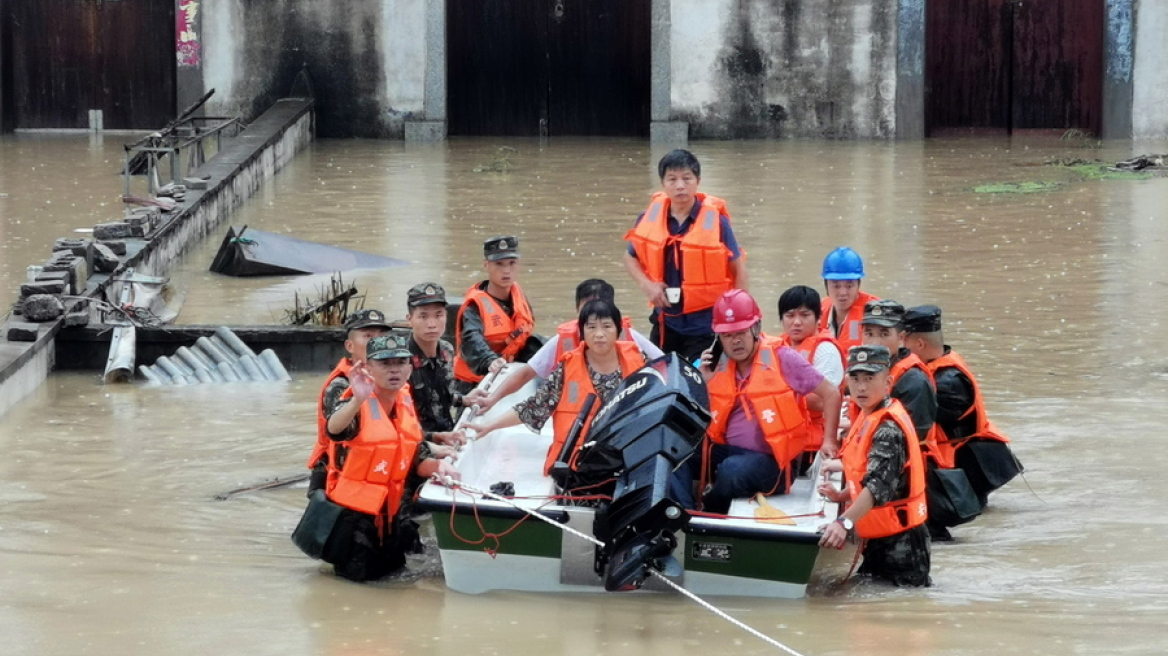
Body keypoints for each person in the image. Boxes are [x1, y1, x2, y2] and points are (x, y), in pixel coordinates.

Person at [671, 290, 841, 514]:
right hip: (726, 452)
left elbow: (832, 394)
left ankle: (709, 510)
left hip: (774, 463)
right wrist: (702, 383)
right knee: (671, 452)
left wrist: (829, 440)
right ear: (718, 338)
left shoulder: (782, 357)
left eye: (741, 332)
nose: (736, 341)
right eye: (727, 335)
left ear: (756, 328)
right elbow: (690, 413)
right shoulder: (715, 363)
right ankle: (683, 514)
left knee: (731, 470)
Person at [318, 334, 460, 582]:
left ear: (409, 367)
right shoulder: (357, 403)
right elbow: (335, 429)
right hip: (356, 523)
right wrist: (358, 398)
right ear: (369, 368)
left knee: (398, 584)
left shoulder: (404, 402)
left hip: (394, 516)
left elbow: (415, 455)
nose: (394, 370)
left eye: (400, 363)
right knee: (357, 591)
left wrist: (441, 466)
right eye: (385, 364)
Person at [467, 299, 646, 475]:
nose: (599, 334)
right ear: (582, 332)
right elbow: (535, 406)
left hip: (626, 460)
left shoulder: (640, 361)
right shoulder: (567, 367)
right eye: (591, 327)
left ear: (618, 330)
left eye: (607, 326)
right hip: (576, 466)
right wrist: (489, 426)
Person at [818, 345, 931, 587]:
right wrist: (843, 495)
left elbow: (878, 486)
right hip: (879, 538)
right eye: (855, 378)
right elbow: (868, 474)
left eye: (870, 378)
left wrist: (843, 523)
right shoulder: (867, 415)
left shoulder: (888, 428)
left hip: (902, 544)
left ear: (888, 381)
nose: (861, 387)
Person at [624, 149, 748, 363]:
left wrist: (740, 316)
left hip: (705, 325)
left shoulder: (717, 222)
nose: (680, 185)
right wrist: (648, 286)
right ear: (663, 183)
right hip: (665, 322)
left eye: (686, 178)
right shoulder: (648, 218)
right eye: (672, 179)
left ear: (697, 181)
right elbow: (629, 257)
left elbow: (738, 268)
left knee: (700, 381)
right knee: (662, 379)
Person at [476, 279, 663, 413]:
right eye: (587, 311)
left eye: (601, 312)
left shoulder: (629, 337)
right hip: (576, 419)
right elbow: (527, 375)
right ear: (577, 311)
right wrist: (493, 399)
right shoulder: (562, 341)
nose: (593, 316)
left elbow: (664, 365)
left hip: (620, 415)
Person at [902, 305, 1021, 508]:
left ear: (920, 344)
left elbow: (911, 418)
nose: (901, 348)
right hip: (965, 464)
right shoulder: (938, 366)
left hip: (967, 467)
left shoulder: (947, 382)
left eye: (904, 341)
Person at [307, 309, 392, 496]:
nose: (376, 342)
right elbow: (337, 431)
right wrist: (357, 400)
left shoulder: (391, 380)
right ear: (350, 346)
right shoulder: (340, 385)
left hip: (375, 474)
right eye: (368, 336)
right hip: (340, 482)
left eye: (381, 336)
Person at [453, 236, 538, 395]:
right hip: (475, 383)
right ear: (486, 265)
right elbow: (471, 339)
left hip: (509, 377)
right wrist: (489, 361)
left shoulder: (519, 296)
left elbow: (526, 333)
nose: (506, 271)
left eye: (511, 263)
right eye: (499, 264)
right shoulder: (475, 305)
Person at [404, 282, 484, 445]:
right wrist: (432, 439)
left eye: (438, 315)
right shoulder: (400, 360)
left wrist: (464, 400)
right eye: (423, 316)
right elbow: (395, 416)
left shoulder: (446, 350)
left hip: (449, 435)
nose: (432, 324)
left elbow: (440, 394)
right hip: (416, 444)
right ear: (409, 320)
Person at [855, 300, 937, 448]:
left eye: (884, 334)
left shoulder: (914, 382)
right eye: (869, 333)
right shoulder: (866, 371)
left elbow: (906, 441)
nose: (874, 342)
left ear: (901, 338)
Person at [775, 285, 845, 456]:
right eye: (790, 315)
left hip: (811, 441)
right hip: (780, 432)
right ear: (782, 319)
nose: (796, 322)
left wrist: (774, 395)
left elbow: (821, 402)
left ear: (819, 318)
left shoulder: (825, 350)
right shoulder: (775, 345)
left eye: (805, 315)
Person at [819, 246, 879, 353]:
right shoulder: (817, 310)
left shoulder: (876, 312)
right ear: (826, 286)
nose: (843, 293)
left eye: (849, 286)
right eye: (836, 286)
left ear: (858, 285)